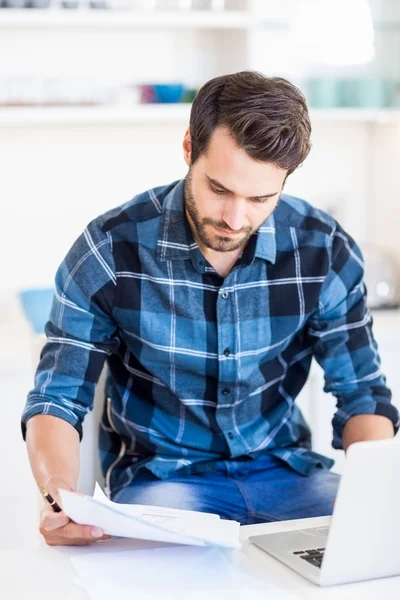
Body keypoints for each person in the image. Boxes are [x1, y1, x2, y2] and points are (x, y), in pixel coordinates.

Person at [22, 71, 398, 547]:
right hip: (164, 482)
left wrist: (370, 495)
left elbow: (363, 393)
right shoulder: (109, 250)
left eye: (261, 198)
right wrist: (58, 495)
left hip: (289, 475)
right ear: (188, 148)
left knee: (376, 557)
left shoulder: (322, 250)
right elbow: (58, 398)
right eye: (219, 189)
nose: (235, 219)